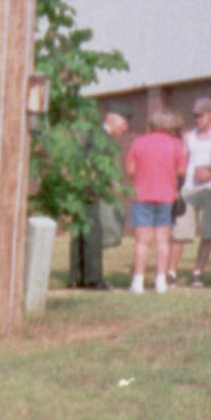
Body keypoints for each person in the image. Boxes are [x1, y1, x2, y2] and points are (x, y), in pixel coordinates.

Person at [124, 110, 187, 293]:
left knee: (142, 241)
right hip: (166, 195)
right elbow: (182, 171)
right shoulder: (176, 144)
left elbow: (130, 171)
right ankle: (161, 281)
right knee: (163, 240)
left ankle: (138, 281)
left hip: (142, 194)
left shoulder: (139, 142)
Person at [68, 105, 129, 289]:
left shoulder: (92, 134)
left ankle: (76, 277)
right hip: (90, 190)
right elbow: (95, 164)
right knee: (92, 234)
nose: (125, 128)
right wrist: (96, 187)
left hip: (79, 188)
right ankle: (93, 279)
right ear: (113, 120)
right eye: (124, 123)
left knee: (79, 233)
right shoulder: (102, 138)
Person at [172, 96, 211, 284]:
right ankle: (171, 272)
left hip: (210, 189)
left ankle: (198, 272)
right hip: (189, 188)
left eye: (201, 115)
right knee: (179, 232)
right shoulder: (189, 136)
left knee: (207, 232)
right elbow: (182, 161)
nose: (198, 119)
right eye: (195, 115)